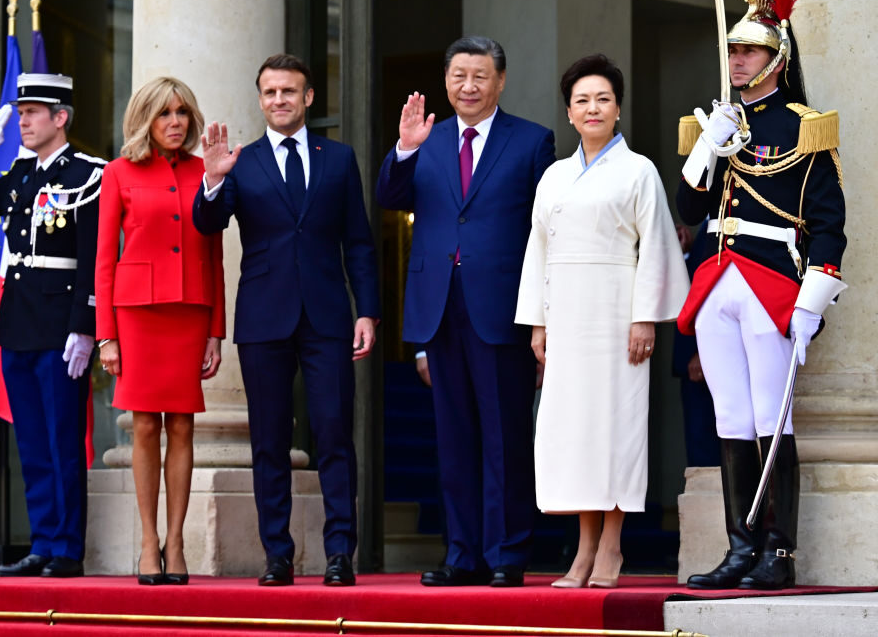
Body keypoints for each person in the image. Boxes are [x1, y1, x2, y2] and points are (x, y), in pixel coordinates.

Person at [677, 0, 846, 590]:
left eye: (750, 51)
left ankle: (780, 550)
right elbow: (690, 208)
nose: (738, 60)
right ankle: (739, 546)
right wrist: (708, 146)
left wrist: (815, 297)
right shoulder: (716, 124)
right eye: (734, 51)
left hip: (773, 281)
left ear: (776, 58)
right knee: (730, 417)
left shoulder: (804, 128)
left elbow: (828, 222)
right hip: (718, 279)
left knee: (774, 421)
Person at [193, 54, 380, 587]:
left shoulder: (339, 159)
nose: (280, 100)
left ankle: (340, 552)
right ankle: (278, 553)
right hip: (263, 319)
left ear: (309, 98)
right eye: (271, 92)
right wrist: (210, 181)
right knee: (268, 440)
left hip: (327, 317)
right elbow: (207, 224)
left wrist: (366, 310)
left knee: (334, 434)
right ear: (260, 99)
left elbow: (360, 244)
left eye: (289, 91)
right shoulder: (240, 161)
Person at [376, 36, 556, 588]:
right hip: (440, 309)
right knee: (452, 439)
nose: (469, 86)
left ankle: (507, 553)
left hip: (503, 309)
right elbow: (390, 197)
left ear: (500, 81)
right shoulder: (425, 140)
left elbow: (546, 234)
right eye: (459, 76)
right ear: (446, 80)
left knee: (504, 437)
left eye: (480, 76)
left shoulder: (532, 141)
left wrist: (543, 318)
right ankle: (462, 554)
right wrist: (405, 149)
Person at [515, 54, 688, 589]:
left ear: (618, 109)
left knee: (616, 427)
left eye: (603, 99)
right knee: (576, 431)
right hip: (566, 317)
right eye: (582, 100)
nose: (593, 108)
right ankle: (583, 548)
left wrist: (645, 319)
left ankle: (610, 546)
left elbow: (657, 247)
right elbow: (537, 250)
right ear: (569, 113)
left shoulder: (639, 171)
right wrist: (538, 323)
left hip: (617, 317)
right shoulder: (554, 175)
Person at [0, 73, 103, 578]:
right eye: (22, 111)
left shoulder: (90, 175)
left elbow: (94, 257)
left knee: (62, 440)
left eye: (33, 112)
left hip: (60, 326)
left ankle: (67, 549)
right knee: (31, 441)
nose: (23, 121)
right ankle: (42, 541)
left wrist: (86, 325)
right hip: (17, 325)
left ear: (61, 118)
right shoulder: (21, 175)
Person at [95, 77, 225, 586]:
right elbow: (105, 261)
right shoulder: (119, 173)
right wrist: (106, 335)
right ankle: (149, 541)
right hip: (137, 314)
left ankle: (177, 541)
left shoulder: (204, 171)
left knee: (184, 426)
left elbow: (215, 255)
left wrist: (216, 329)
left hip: (191, 310)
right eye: (164, 114)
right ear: (145, 120)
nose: (175, 122)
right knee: (145, 425)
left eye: (182, 113)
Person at [672, 221, 721, 468]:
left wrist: (703, 351)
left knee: (709, 449)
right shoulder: (707, 221)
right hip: (693, 357)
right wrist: (686, 253)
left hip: (706, 356)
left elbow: (719, 288)